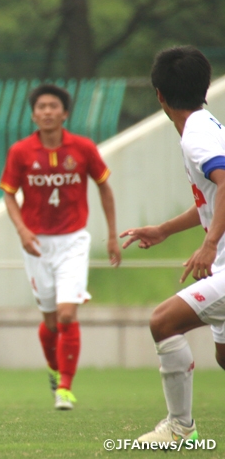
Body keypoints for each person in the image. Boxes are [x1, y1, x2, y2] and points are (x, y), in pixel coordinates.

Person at [121, 45, 225, 444]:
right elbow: (211, 198)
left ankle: (180, 428)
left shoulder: (197, 137)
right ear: (206, 87)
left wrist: (210, 243)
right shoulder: (207, 124)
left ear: (159, 95)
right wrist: (164, 229)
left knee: (164, 321)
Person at [0, 84, 121, 410]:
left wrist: (112, 235)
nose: (48, 111)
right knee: (51, 322)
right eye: (42, 106)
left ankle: (65, 387)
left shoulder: (82, 148)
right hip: (36, 243)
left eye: (54, 106)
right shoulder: (21, 152)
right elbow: (8, 193)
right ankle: (54, 370)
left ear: (65, 113)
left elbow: (105, 188)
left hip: (73, 241)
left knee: (67, 315)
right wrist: (22, 230)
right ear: (33, 114)